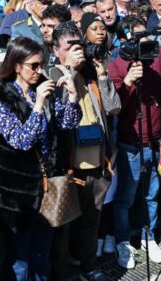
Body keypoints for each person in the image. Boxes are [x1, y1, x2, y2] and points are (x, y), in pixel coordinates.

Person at [0, 36, 81, 281]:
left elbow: (66, 123)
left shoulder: (44, 88)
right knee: (20, 258)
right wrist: (37, 105)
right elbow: (20, 140)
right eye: (33, 66)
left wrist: (71, 98)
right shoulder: (0, 96)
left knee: (42, 251)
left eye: (41, 65)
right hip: (16, 191)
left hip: (46, 185)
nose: (39, 71)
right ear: (16, 65)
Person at [51, 21, 121, 280]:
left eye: (79, 45)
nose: (78, 50)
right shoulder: (52, 73)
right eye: (70, 46)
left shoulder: (91, 75)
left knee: (92, 222)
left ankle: (89, 266)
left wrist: (102, 77)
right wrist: (69, 69)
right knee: (64, 226)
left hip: (96, 161)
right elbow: (55, 112)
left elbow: (114, 108)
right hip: (68, 165)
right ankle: (64, 272)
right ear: (57, 50)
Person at [107, 21, 161, 268]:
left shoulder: (153, 56)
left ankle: (149, 236)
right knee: (126, 197)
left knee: (152, 194)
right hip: (130, 144)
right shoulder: (115, 66)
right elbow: (114, 107)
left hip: (155, 142)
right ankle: (123, 241)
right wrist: (129, 82)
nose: (145, 47)